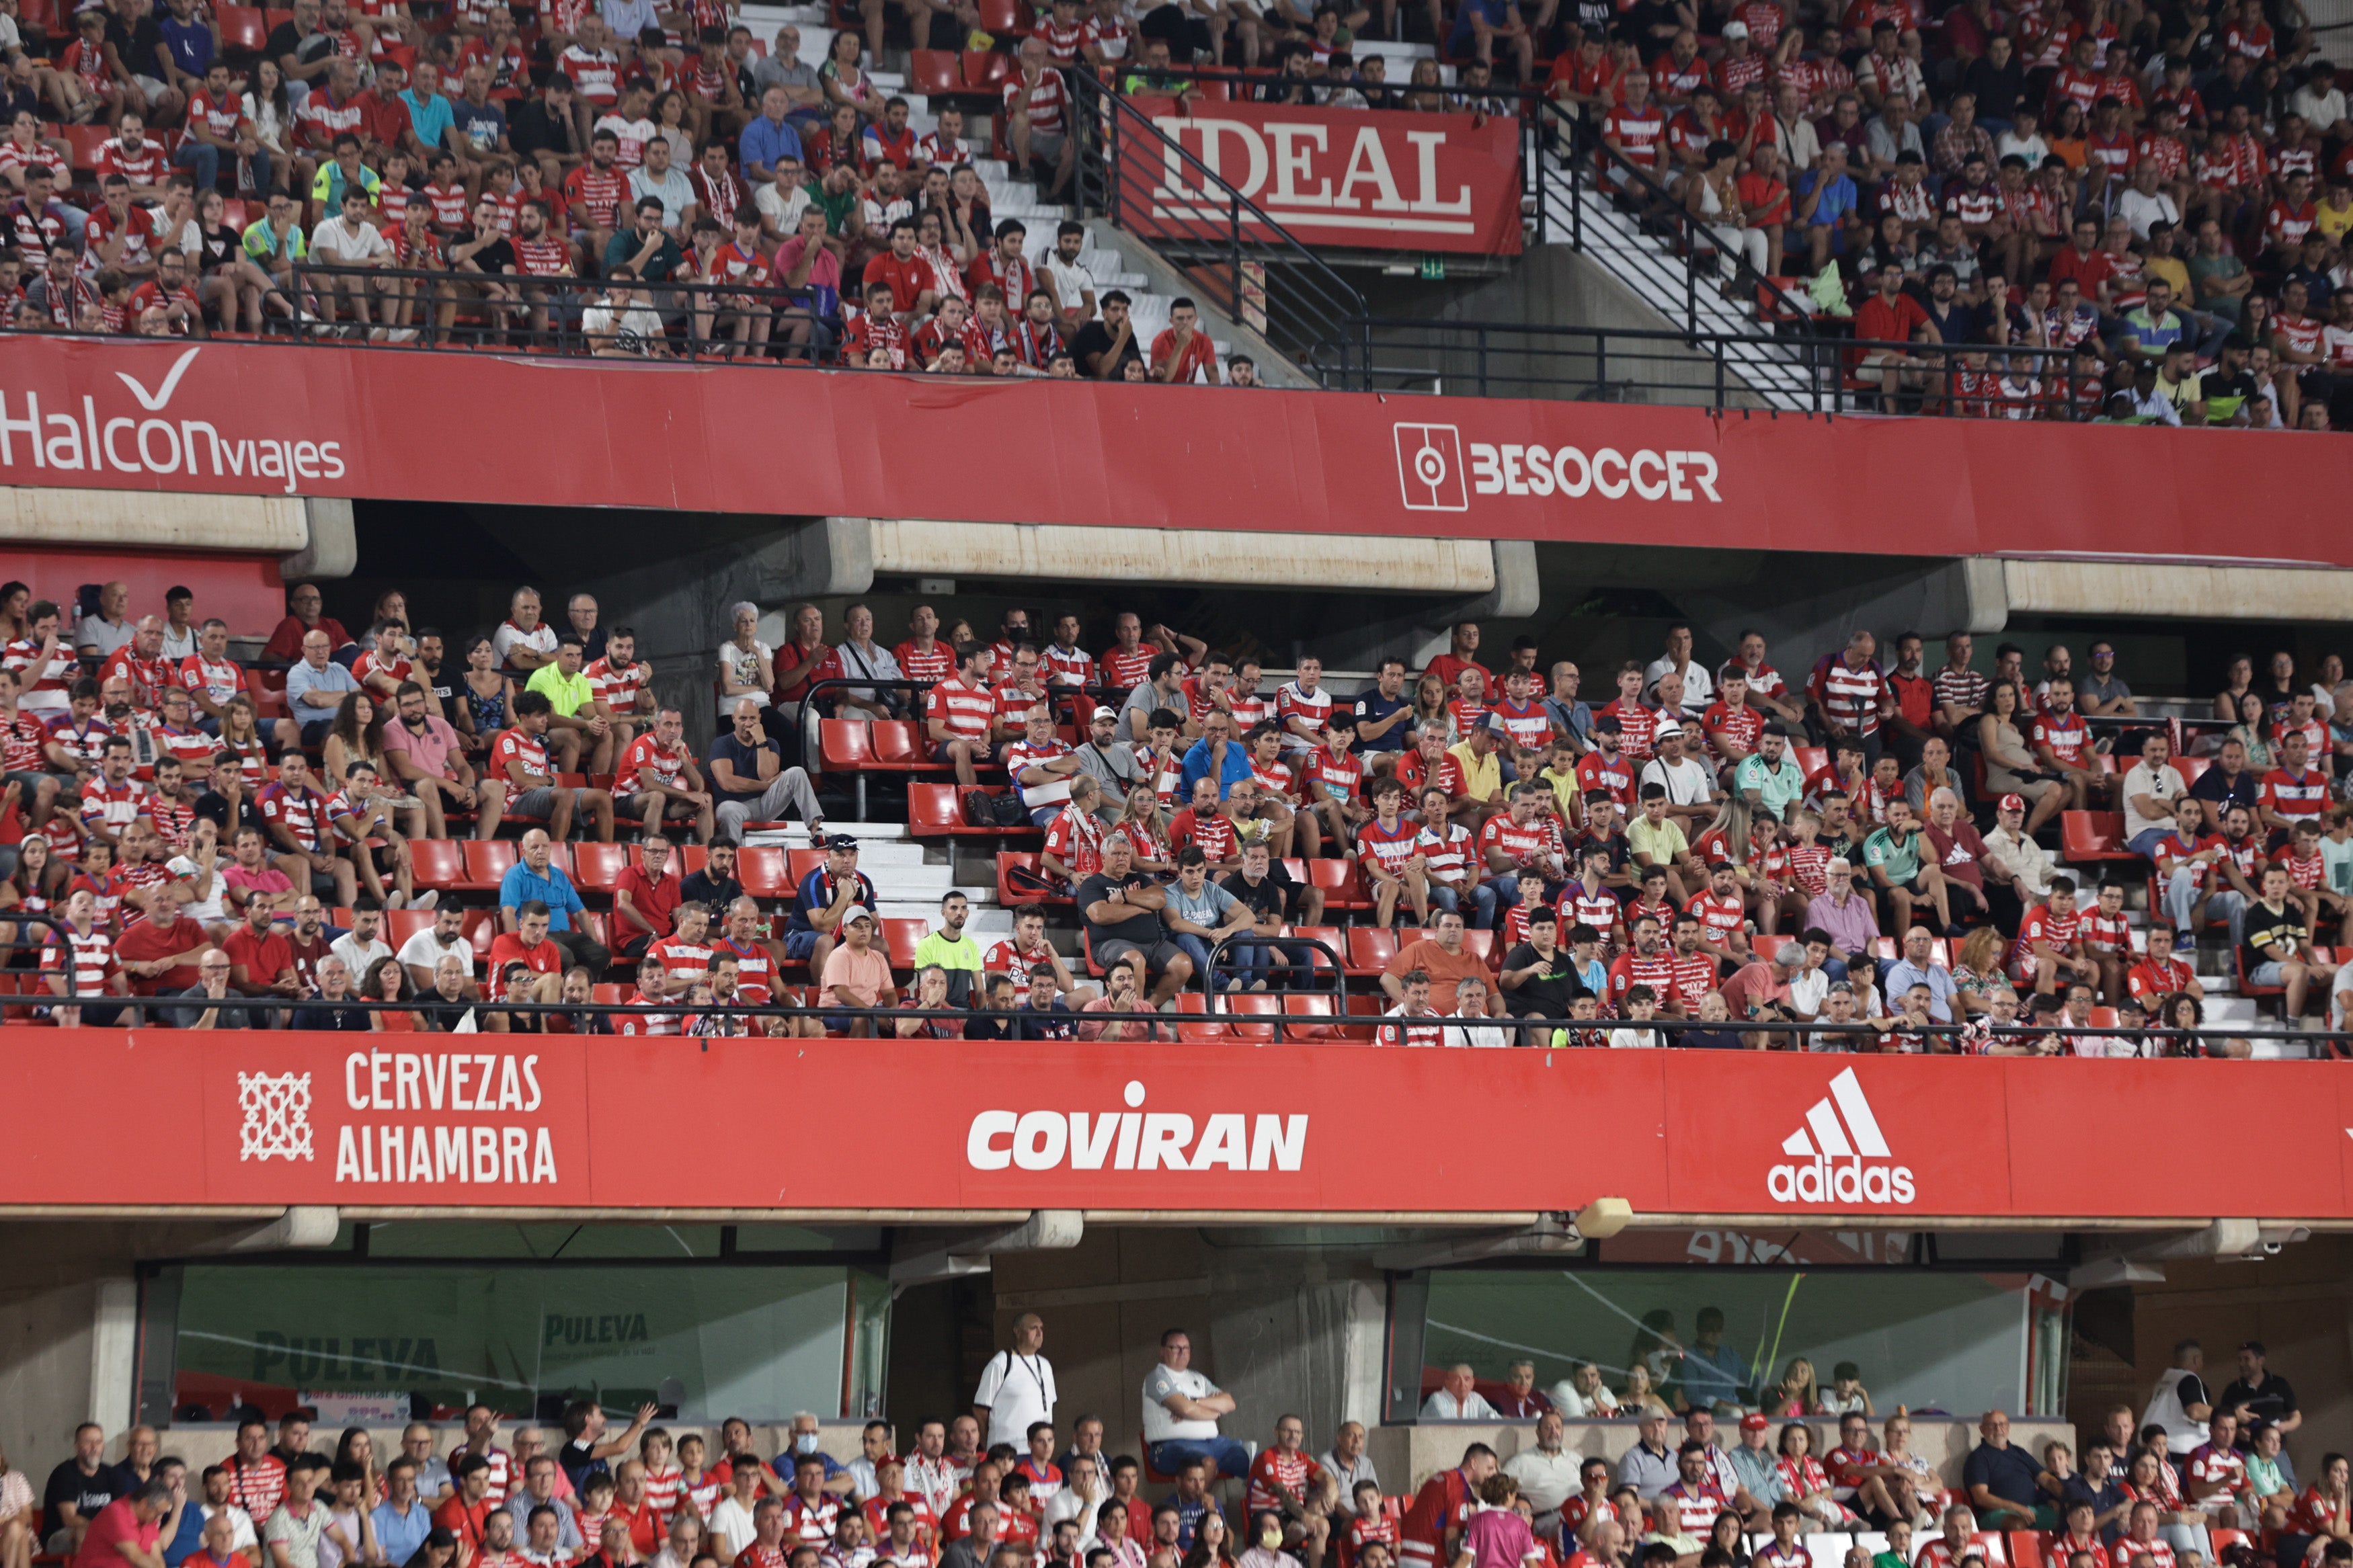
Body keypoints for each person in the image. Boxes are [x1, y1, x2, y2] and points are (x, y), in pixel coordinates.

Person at [1142, 1329, 1248, 1481]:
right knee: (1206, 1463)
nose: (1182, 1352)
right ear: (1163, 1351)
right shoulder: (1157, 1377)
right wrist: (1214, 1412)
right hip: (1171, 1446)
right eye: (1176, 1348)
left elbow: (1229, 1404)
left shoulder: (1198, 1378)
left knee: (1255, 1460)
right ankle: (1204, 1497)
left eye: (1186, 1348)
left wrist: (1194, 1401)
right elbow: (1186, 1410)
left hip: (1215, 1443)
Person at [974, 1315, 1058, 1452]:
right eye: (1034, 1328)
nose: (1039, 1333)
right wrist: (987, 1443)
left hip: (1039, 1451)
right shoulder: (1001, 1363)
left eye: (1041, 1328)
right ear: (1018, 1332)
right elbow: (980, 1409)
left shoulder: (1045, 1365)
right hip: (1008, 1453)